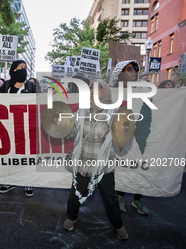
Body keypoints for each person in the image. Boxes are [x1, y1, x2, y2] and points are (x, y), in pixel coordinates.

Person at [63, 79, 128, 240]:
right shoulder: (82, 111)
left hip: (103, 165)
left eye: (96, 89)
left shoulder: (114, 112)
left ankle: (118, 225)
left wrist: (125, 130)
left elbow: (121, 138)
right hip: (83, 161)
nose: (92, 91)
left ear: (104, 91)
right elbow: (73, 133)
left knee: (110, 197)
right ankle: (71, 216)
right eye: (90, 88)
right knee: (75, 193)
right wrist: (63, 126)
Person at [109, 60, 149, 216]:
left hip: (139, 134)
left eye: (136, 69)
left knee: (139, 165)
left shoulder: (143, 90)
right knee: (121, 165)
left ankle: (138, 198)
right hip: (120, 134)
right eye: (129, 69)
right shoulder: (113, 92)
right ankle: (120, 196)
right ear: (120, 72)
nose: (133, 71)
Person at [0, 60, 36, 197]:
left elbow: (39, 102)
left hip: (26, 128)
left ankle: (28, 182)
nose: (24, 69)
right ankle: (10, 181)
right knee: (10, 155)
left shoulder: (31, 86)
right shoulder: (6, 85)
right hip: (8, 127)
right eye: (21, 67)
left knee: (26, 155)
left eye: (25, 67)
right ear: (13, 70)